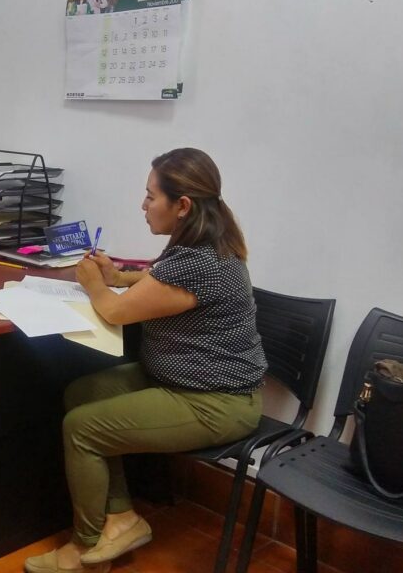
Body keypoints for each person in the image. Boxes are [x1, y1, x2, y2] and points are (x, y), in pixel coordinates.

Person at [24, 148, 267, 573]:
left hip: (216, 401)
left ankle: (83, 549)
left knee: (81, 429)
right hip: (177, 382)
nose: (143, 204)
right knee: (82, 394)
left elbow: (116, 312)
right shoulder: (199, 243)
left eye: (151, 196)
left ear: (183, 206)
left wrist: (94, 284)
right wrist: (117, 277)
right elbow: (159, 280)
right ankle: (120, 518)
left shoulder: (200, 261)